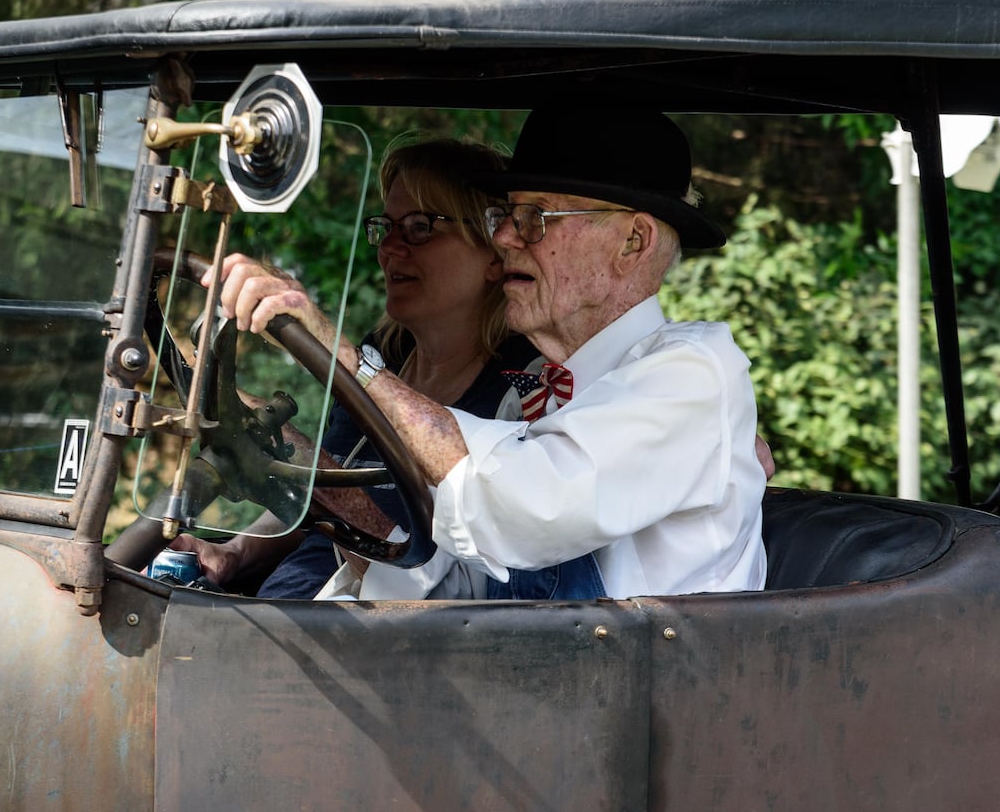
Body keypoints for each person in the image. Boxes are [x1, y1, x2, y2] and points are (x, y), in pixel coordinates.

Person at [207, 108, 769, 600]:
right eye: (508, 216)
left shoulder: (693, 372)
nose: (504, 238)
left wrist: (346, 359)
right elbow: (458, 584)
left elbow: (528, 508)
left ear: (633, 243)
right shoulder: (529, 401)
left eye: (537, 218)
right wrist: (291, 459)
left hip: (634, 713)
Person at [172, 136, 604, 600]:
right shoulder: (387, 354)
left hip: (385, 649)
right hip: (292, 609)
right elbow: (321, 491)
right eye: (387, 226)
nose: (390, 248)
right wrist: (233, 552)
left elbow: (460, 587)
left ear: (494, 251)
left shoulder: (530, 387)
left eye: (421, 227)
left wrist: (293, 459)